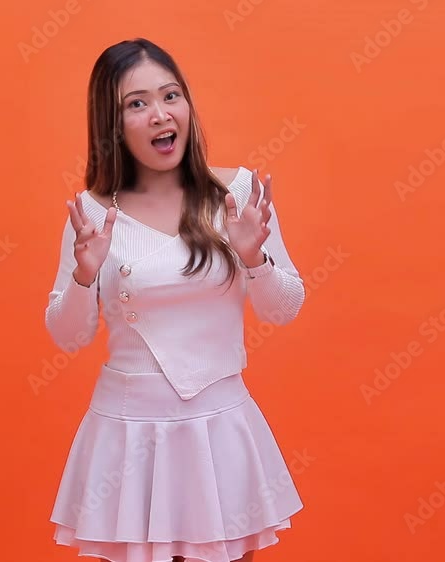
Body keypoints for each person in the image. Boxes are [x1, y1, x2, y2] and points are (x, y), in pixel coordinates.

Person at [45, 37, 306, 562]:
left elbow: (284, 309)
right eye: (136, 104)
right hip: (127, 436)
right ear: (113, 125)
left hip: (219, 427)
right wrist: (83, 275)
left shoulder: (236, 194)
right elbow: (68, 336)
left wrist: (254, 258)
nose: (160, 114)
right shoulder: (92, 214)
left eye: (170, 96)